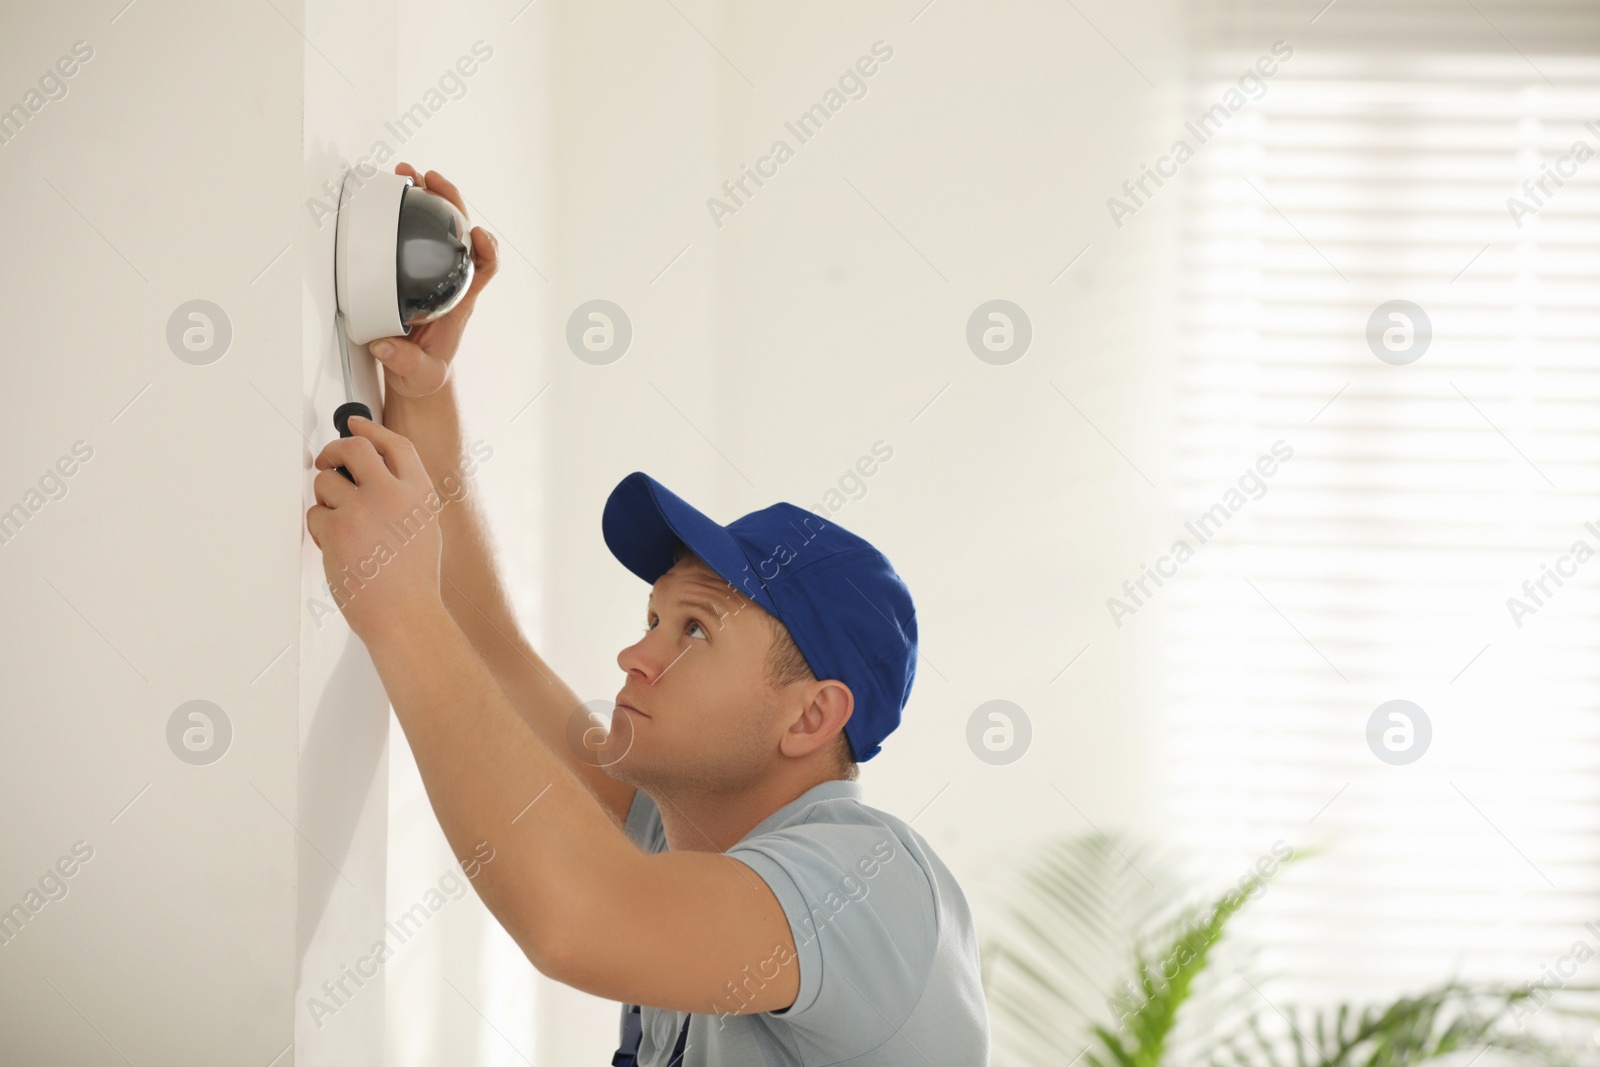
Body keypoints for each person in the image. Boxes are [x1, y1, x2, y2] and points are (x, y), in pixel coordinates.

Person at [304, 162, 991, 1066]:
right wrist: (423, 390)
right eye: (655, 618)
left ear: (812, 714)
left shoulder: (869, 887)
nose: (635, 654)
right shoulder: (684, 831)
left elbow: (577, 918)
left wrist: (397, 615)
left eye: (695, 630)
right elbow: (494, 651)